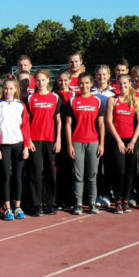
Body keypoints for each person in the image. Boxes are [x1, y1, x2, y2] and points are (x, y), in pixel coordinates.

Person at [65, 72, 105, 215]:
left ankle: (92, 203)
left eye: (87, 83)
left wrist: (102, 144)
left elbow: (101, 125)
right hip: (77, 142)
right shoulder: (73, 101)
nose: (84, 86)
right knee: (78, 175)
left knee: (92, 175)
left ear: (91, 84)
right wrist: (69, 144)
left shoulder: (97, 101)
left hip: (93, 141)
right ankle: (79, 203)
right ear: (78, 85)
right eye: (81, 83)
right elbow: (68, 124)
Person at [106, 74, 139, 213]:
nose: (123, 86)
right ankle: (118, 199)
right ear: (116, 84)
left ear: (130, 84)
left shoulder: (136, 100)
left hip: (131, 140)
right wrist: (119, 141)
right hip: (118, 141)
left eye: (125, 83)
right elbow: (109, 121)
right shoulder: (112, 100)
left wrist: (133, 141)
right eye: (120, 84)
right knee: (120, 171)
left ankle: (126, 199)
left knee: (129, 171)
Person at [0, 76, 31, 220]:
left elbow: (25, 127)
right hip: (4, 146)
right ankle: (7, 207)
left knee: (17, 176)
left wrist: (26, 147)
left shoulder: (20, 105)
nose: (8, 91)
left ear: (15, 89)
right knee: (5, 177)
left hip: (18, 145)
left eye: (11, 88)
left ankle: (17, 206)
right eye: (5, 88)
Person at [28, 70, 62, 216]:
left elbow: (59, 120)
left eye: (43, 80)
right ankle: (36, 204)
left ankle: (49, 203)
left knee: (50, 172)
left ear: (48, 80)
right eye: (38, 80)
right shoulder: (31, 98)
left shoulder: (55, 97)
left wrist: (58, 139)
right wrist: (28, 140)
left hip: (50, 139)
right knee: (35, 172)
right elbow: (26, 122)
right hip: (35, 140)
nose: (40, 83)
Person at [91, 64, 115, 209]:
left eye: (104, 74)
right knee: (96, 166)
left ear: (109, 76)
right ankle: (97, 193)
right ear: (95, 76)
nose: (101, 77)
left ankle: (107, 192)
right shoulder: (91, 92)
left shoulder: (113, 93)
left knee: (109, 165)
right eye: (99, 74)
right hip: (94, 133)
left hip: (109, 133)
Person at [54, 69, 74, 209]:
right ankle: (59, 198)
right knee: (59, 167)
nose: (63, 83)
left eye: (65, 80)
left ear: (70, 81)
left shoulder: (74, 95)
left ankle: (70, 198)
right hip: (57, 134)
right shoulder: (53, 95)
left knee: (71, 167)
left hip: (72, 134)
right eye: (60, 80)